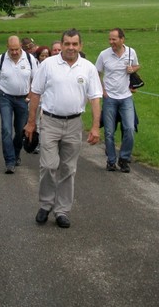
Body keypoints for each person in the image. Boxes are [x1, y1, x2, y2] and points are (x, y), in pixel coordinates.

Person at [25, 28, 102, 228]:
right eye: (67, 43)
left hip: (74, 124)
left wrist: (95, 127)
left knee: (68, 169)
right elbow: (35, 93)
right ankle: (45, 204)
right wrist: (31, 122)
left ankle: (62, 211)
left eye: (75, 44)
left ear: (80, 45)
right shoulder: (48, 65)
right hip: (50, 122)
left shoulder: (88, 68)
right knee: (49, 166)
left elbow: (95, 98)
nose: (71, 47)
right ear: (62, 44)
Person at [94, 28, 140, 173]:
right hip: (110, 98)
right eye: (110, 39)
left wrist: (133, 69)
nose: (111, 42)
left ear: (122, 39)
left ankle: (124, 158)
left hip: (126, 97)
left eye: (114, 39)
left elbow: (137, 65)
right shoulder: (104, 54)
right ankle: (111, 161)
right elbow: (96, 73)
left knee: (129, 129)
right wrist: (103, 90)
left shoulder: (131, 52)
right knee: (109, 132)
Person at [0, 36, 36, 173]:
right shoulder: (1, 60)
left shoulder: (29, 59)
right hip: (5, 97)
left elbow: (36, 80)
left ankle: (16, 154)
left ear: (21, 46)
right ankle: (9, 161)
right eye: (11, 50)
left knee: (20, 131)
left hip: (23, 99)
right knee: (6, 129)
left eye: (17, 49)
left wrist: (30, 95)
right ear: (7, 47)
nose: (14, 52)